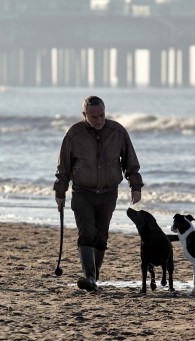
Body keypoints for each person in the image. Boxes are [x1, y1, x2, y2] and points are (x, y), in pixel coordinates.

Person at [53, 95, 143, 292]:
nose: (99, 120)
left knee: (101, 236)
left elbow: (130, 161)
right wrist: (60, 192)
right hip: (82, 192)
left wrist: (135, 186)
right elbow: (64, 167)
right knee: (87, 233)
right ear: (85, 115)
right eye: (94, 117)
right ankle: (90, 277)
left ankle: (94, 277)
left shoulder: (117, 131)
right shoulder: (74, 134)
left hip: (109, 193)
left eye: (102, 115)